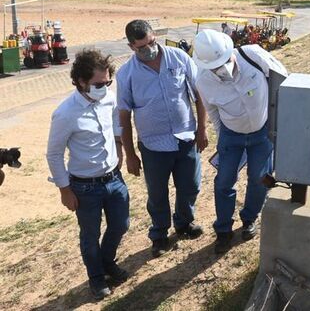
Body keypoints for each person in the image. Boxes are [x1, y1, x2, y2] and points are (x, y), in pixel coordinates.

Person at [117, 20, 209, 257]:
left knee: (190, 185)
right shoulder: (126, 74)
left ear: (154, 36)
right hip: (153, 145)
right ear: (131, 46)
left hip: (185, 137)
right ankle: (159, 234)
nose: (149, 48)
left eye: (151, 42)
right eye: (142, 47)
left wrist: (202, 130)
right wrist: (130, 155)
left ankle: (184, 223)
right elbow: (124, 117)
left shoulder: (179, 57)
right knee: (157, 194)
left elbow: (200, 95)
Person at [192, 29, 288, 254]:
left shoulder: (253, 56)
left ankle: (249, 218)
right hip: (231, 135)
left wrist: (277, 123)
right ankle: (223, 230)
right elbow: (213, 112)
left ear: (230, 50)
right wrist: (222, 138)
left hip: (262, 132)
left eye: (225, 60)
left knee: (260, 178)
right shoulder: (204, 81)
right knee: (224, 182)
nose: (222, 68)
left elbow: (282, 79)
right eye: (215, 65)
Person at [47, 49, 129, 300]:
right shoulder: (65, 113)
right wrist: (64, 190)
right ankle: (96, 277)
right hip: (84, 187)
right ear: (81, 81)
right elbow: (53, 154)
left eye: (107, 82)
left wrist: (118, 145)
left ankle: (107, 262)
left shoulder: (108, 98)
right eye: (98, 84)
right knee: (90, 235)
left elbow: (116, 120)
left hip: (114, 178)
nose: (104, 87)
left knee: (121, 224)